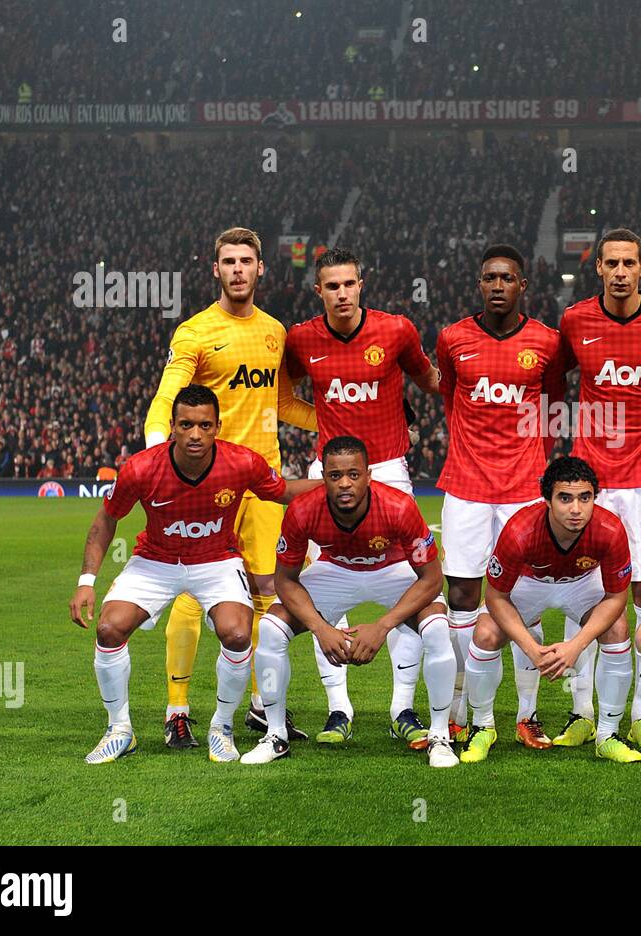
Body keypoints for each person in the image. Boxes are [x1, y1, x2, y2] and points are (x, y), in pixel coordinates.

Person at [69, 385, 318, 764]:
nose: (195, 434)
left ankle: (222, 726)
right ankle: (119, 730)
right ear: (172, 426)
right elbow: (107, 519)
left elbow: (282, 491)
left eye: (204, 425)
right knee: (109, 628)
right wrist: (86, 582)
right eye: (186, 425)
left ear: (218, 426)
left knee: (237, 634)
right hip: (155, 560)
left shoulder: (241, 462)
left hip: (217, 560)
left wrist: (337, 483)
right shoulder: (141, 468)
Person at [143, 227, 318, 749]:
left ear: (260, 268)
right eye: (229, 261)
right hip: (207, 484)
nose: (238, 269)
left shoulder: (275, 332)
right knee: (192, 593)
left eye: (246, 260)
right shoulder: (195, 332)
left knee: (269, 592)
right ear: (215, 269)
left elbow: (283, 404)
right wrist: (155, 448)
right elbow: (168, 396)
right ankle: (177, 710)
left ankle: (262, 707)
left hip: (264, 484)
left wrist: (338, 424)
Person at [284, 246, 442, 748]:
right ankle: (339, 708)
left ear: (361, 284)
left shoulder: (396, 330)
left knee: (405, 587)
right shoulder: (301, 338)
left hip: (389, 470)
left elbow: (429, 380)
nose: (342, 293)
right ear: (319, 291)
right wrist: (322, 420)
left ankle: (402, 708)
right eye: (332, 286)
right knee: (325, 590)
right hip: (329, 474)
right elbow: (282, 395)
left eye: (348, 284)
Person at [243, 435, 457, 768]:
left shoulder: (399, 506)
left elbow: (431, 579)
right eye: (335, 475)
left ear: (368, 476)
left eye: (353, 474)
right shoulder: (302, 510)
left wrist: (382, 626)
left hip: (392, 569)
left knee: (437, 627)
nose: (345, 483)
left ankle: (440, 737)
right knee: (271, 628)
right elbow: (285, 581)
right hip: (335, 570)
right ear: (323, 477)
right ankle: (275, 735)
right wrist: (320, 628)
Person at [555, 228, 641, 749]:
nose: (620, 272)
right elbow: (552, 382)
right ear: (598, 268)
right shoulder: (575, 320)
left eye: (628, 263)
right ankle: (581, 713)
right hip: (591, 482)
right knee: (585, 594)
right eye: (611, 263)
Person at [437, 244, 565, 749]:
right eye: (489, 278)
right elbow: (450, 398)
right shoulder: (453, 338)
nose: (497, 286)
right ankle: (459, 712)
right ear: (479, 284)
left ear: (522, 285)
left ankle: (527, 715)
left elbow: (552, 406)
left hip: (523, 491)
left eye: (507, 278)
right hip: (466, 487)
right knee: (463, 596)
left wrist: (532, 462)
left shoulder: (547, 342)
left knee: (523, 599)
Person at [456, 457, 638, 764]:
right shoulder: (520, 530)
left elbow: (616, 597)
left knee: (617, 628)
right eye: (565, 498)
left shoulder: (610, 529)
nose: (576, 509)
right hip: (530, 583)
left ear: (595, 498)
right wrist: (531, 649)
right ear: (547, 501)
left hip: (582, 583)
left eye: (585, 498)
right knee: (485, 633)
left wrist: (575, 646)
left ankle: (607, 735)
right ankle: (482, 726)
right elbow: (496, 597)